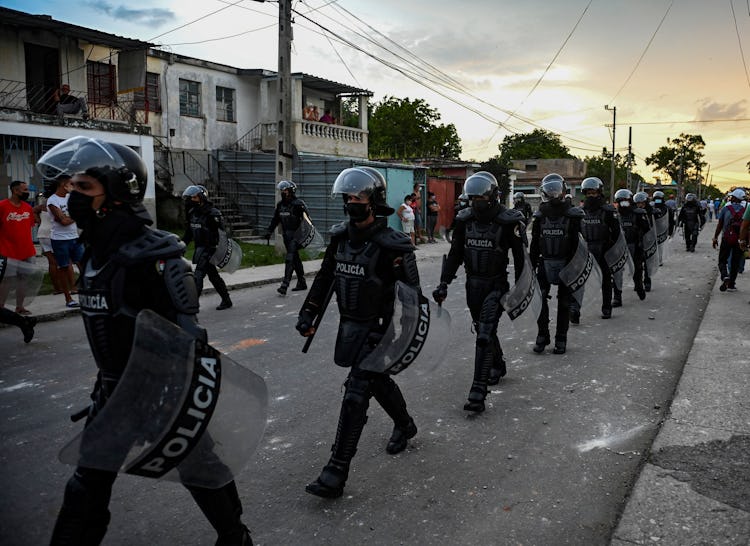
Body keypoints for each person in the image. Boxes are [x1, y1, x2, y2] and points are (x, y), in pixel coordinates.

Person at [37, 136, 253, 545]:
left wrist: (175, 397)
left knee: (201, 467)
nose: (72, 196)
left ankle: (236, 537)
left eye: (84, 188)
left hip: (162, 394)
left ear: (116, 193)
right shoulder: (94, 252)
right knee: (85, 489)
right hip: (113, 393)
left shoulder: (157, 256)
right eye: (72, 187)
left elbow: (189, 339)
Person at [296, 166, 420, 499]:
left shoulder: (393, 246)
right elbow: (324, 279)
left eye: (360, 197)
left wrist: (410, 339)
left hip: (380, 330)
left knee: (356, 392)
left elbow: (413, 296)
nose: (353, 202)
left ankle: (335, 471)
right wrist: (308, 311)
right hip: (349, 326)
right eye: (348, 197)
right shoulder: (339, 239)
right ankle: (406, 424)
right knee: (376, 382)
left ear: (374, 201)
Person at [432, 171, 525, 412]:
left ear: (493, 196)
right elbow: (455, 255)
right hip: (472, 286)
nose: (476, 203)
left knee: (484, 332)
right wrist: (444, 283)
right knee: (483, 330)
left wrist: (520, 288)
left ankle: (478, 391)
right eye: (472, 199)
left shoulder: (508, 221)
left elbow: (520, 258)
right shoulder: (464, 220)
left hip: (496, 284)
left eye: (480, 199)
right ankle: (498, 363)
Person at [529, 173, 584, 355]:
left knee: (564, 303)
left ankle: (561, 338)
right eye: (550, 191)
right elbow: (535, 242)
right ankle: (542, 335)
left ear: (563, 191)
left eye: (556, 191)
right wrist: (530, 265)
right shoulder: (540, 216)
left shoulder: (573, 215)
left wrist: (575, 268)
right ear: (545, 192)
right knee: (540, 298)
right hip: (545, 262)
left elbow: (578, 244)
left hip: (566, 263)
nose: (553, 194)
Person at [182, 185, 233, 309]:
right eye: (190, 197)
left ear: (201, 198)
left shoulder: (213, 214)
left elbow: (223, 233)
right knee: (213, 276)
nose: (191, 200)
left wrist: (220, 251)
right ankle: (227, 300)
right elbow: (189, 232)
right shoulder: (192, 213)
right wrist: (182, 246)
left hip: (210, 249)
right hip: (200, 249)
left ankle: (191, 305)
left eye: (194, 197)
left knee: (198, 276)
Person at [579, 177, 620, 319]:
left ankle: (606, 307)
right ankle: (575, 309)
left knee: (606, 280)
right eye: (588, 193)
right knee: (579, 281)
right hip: (587, 250)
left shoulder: (608, 211)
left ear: (599, 193)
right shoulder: (580, 212)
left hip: (604, 248)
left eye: (594, 193)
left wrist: (611, 250)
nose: (591, 196)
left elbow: (616, 233)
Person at [264, 180, 309, 295]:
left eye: (285, 190)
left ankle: (285, 284)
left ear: (290, 191)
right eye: (281, 190)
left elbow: (307, 221)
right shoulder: (280, 205)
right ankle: (302, 282)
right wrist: (269, 231)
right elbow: (275, 219)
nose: (283, 192)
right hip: (287, 236)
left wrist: (304, 235)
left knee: (289, 258)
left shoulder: (299, 204)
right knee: (295, 259)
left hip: (297, 235)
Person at [0, 180, 37, 315]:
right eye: (25, 190)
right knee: (6, 281)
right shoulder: (2, 206)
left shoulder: (27, 207)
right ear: (15, 191)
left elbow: (30, 225)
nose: (27, 193)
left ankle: (19, 307)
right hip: (7, 251)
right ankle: (1, 309)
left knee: (23, 279)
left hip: (26, 250)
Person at [47, 175, 84, 308]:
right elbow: (63, 221)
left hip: (74, 237)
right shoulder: (52, 201)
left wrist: (71, 216)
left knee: (84, 266)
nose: (73, 186)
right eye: (71, 184)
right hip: (60, 240)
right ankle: (68, 299)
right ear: (64, 185)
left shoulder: (71, 198)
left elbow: (77, 215)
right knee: (63, 268)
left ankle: (86, 293)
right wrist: (75, 215)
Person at [614, 189, 648, 303]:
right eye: (621, 201)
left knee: (637, 269)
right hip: (619, 247)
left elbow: (647, 229)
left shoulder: (638, 214)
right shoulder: (615, 215)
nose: (623, 204)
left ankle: (639, 286)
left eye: (626, 201)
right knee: (617, 272)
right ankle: (617, 297)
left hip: (635, 245)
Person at [713, 188, 746, 292]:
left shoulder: (726, 209)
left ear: (734, 197)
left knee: (722, 260)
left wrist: (715, 237)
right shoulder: (745, 210)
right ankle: (731, 285)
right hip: (739, 240)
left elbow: (720, 225)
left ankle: (724, 276)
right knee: (735, 262)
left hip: (726, 238)